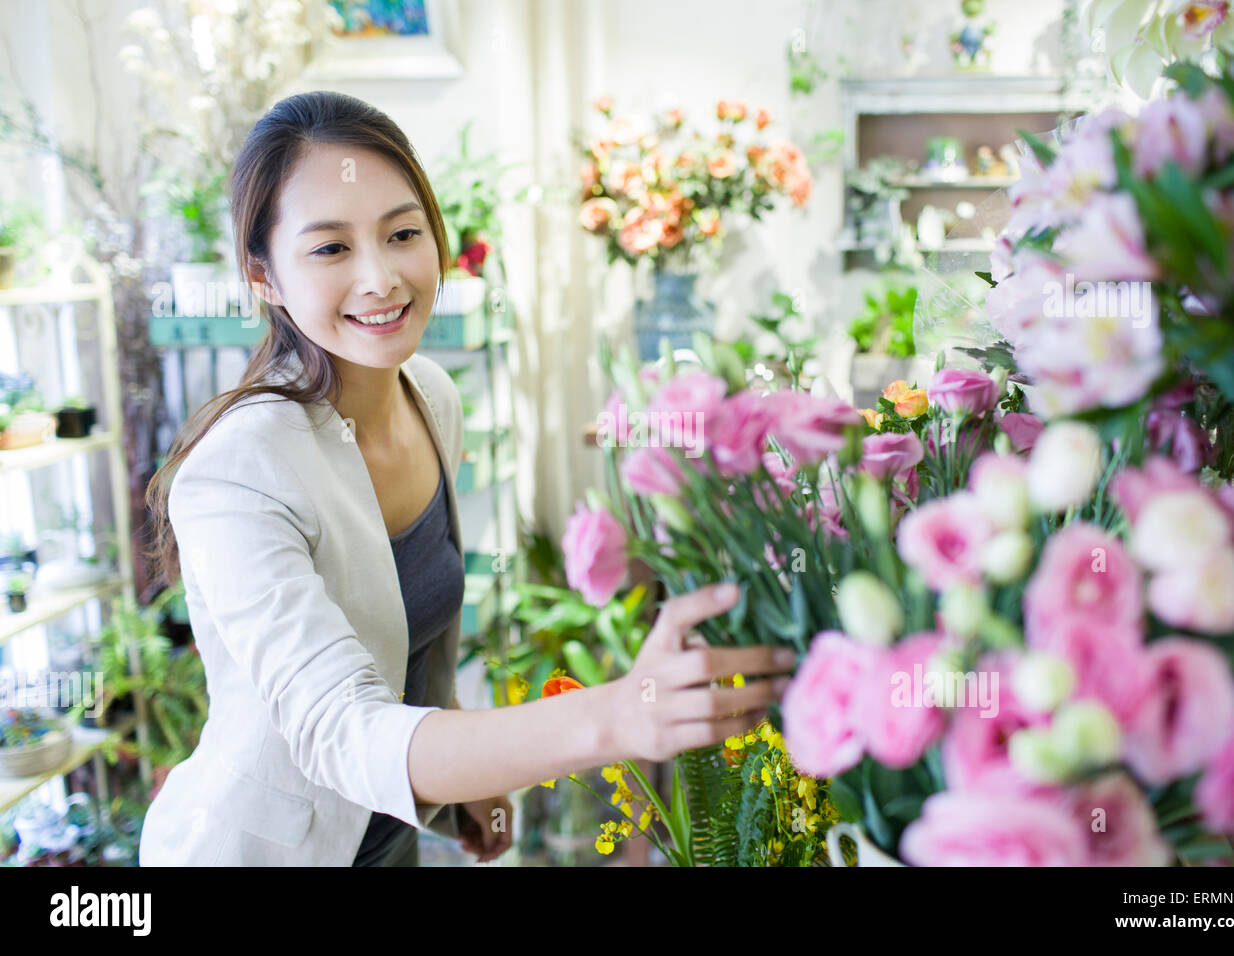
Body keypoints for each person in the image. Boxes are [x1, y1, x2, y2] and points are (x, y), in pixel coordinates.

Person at [137, 90, 793, 866]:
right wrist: (617, 717)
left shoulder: (431, 398)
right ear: (264, 276)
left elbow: (408, 645)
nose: (381, 278)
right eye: (330, 249)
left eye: (403, 233)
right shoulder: (237, 470)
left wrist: (462, 773)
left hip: (392, 844)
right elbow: (340, 729)